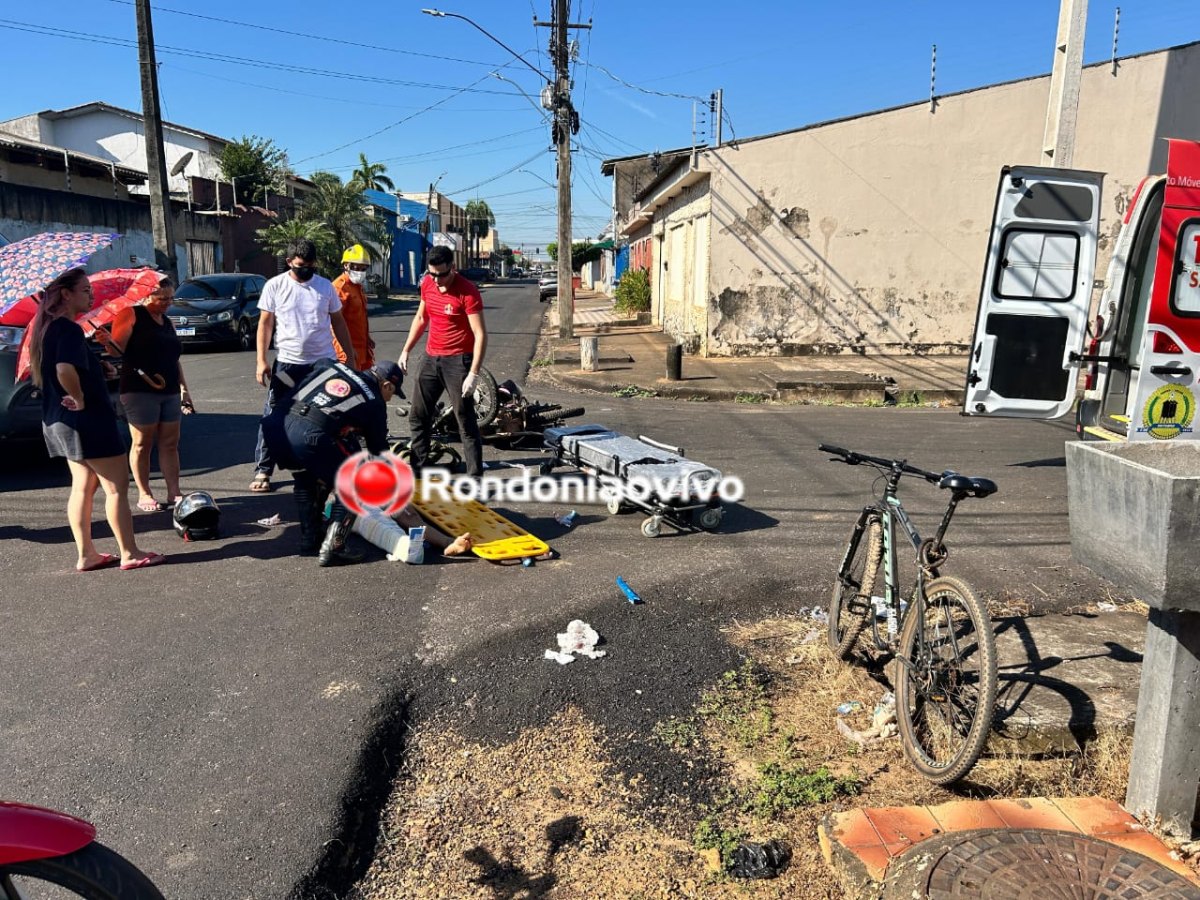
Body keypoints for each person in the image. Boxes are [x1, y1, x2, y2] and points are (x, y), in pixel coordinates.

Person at [260, 359, 470, 565]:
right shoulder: (374, 402)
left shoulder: (329, 364)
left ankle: (310, 539)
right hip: (309, 435)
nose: (389, 399)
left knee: (306, 479)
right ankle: (335, 546)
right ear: (386, 385)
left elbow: (285, 377)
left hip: (275, 427)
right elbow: (379, 455)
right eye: (392, 393)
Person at [28, 267, 166, 572]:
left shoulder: (47, 329)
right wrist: (79, 397)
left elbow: (65, 367)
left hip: (59, 421)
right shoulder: (67, 329)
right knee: (116, 487)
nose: (91, 295)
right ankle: (130, 552)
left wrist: (96, 368)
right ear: (66, 294)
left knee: (82, 487)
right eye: (85, 290)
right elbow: (64, 369)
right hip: (86, 420)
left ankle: (86, 554)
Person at [251, 238, 358, 494]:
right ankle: (263, 469)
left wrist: (350, 357)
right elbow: (265, 324)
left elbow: (338, 323)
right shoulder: (275, 286)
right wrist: (261, 360)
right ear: (289, 262)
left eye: (310, 265)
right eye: (300, 265)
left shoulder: (325, 288)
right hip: (288, 364)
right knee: (273, 416)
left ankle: (332, 470)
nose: (306, 269)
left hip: (322, 365)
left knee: (331, 417)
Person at [97, 275, 194, 512]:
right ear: (147, 295)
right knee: (142, 443)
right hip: (139, 388)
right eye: (161, 299)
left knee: (170, 443)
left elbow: (174, 359)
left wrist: (184, 389)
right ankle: (144, 493)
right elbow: (117, 350)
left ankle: (174, 492)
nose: (166, 303)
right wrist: (107, 342)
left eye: (170, 298)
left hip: (169, 387)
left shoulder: (166, 321)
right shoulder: (131, 314)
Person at [399, 246, 488, 478]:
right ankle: (418, 472)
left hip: (458, 361)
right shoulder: (428, 284)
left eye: (441, 274)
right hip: (431, 358)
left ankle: (475, 476)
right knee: (418, 415)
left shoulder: (467, 291)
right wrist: (406, 350)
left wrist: (473, 373)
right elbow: (421, 317)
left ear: (452, 268)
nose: (437, 280)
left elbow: (480, 334)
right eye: (432, 274)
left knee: (464, 419)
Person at [331, 244, 375, 371]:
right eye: (356, 267)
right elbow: (334, 324)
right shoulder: (339, 288)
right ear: (346, 265)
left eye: (363, 268)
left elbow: (359, 316)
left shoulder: (357, 286)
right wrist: (347, 352)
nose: (360, 272)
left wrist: (368, 338)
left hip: (362, 350)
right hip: (348, 353)